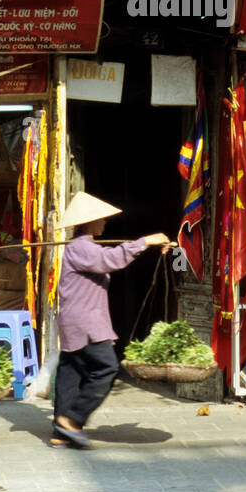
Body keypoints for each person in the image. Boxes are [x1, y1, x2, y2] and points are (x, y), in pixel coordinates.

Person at [51, 191, 171, 449]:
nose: (105, 223)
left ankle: (60, 432)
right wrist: (143, 242)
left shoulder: (83, 247)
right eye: (101, 219)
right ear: (89, 222)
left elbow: (105, 257)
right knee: (106, 367)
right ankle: (73, 419)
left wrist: (144, 245)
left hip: (75, 319)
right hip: (85, 322)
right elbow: (109, 260)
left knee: (70, 372)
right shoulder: (81, 247)